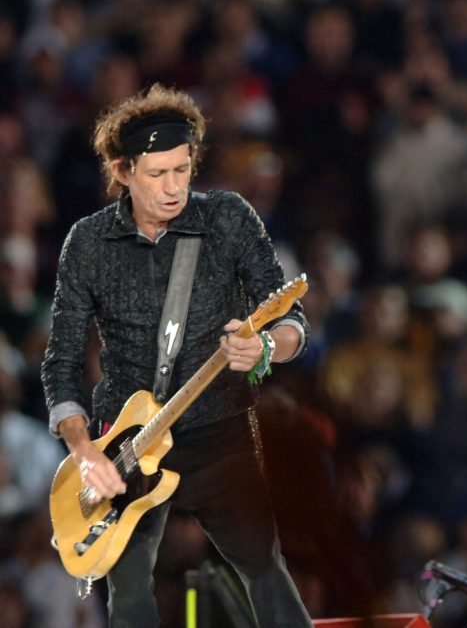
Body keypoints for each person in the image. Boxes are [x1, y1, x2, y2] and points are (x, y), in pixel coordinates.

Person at [40, 84, 313, 627]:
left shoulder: (228, 218)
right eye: (157, 174)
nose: (173, 188)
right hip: (126, 440)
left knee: (264, 564)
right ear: (122, 171)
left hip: (220, 431)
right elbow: (62, 361)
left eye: (183, 171)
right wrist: (83, 450)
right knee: (130, 588)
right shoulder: (88, 242)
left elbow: (291, 321)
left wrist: (264, 347)